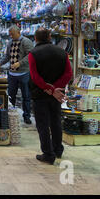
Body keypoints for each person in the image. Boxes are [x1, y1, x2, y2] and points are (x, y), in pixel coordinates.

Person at [28, 28, 73, 165]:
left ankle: (48, 154)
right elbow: (68, 74)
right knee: (55, 121)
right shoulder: (62, 53)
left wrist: (49, 88)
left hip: (40, 93)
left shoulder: (33, 54)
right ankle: (57, 149)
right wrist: (56, 89)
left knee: (42, 124)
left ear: (35, 39)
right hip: (57, 94)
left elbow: (35, 77)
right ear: (49, 37)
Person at [0, 25, 34, 124]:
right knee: (11, 96)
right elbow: (7, 57)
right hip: (12, 74)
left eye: (12, 34)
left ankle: (26, 116)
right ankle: (11, 115)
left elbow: (31, 55)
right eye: (10, 34)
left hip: (24, 73)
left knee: (26, 96)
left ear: (18, 32)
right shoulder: (10, 43)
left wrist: (20, 63)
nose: (10, 36)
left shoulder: (26, 42)